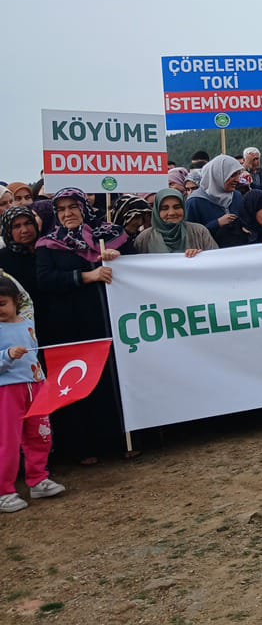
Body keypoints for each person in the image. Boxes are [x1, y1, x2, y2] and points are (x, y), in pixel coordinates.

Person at [35, 188, 132, 464]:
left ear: (83, 207)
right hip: (73, 326)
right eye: (62, 209)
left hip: (109, 321)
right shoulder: (48, 244)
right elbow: (46, 280)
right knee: (80, 382)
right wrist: (87, 276)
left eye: (73, 207)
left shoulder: (110, 235)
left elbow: (136, 266)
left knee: (112, 379)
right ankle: (87, 447)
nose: (68, 214)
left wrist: (118, 257)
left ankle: (122, 440)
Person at [0, 277, 64, 514]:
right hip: (7, 391)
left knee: (40, 435)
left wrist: (44, 382)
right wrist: (7, 355)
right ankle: (4, 491)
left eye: (2, 303)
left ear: (15, 302)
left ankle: (38, 479)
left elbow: (33, 357)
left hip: (35, 387)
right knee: (8, 441)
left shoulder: (26, 322)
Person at [133, 189, 217, 256]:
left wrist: (200, 256)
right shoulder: (144, 239)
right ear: (157, 211)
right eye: (165, 208)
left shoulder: (199, 232)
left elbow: (215, 260)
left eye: (177, 207)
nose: (172, 213)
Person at [185, 154, 245, 243]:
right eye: (232, 175)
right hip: (210, 254)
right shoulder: (195, 202)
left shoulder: (237, 196)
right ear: (217, 175)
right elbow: (191, 235)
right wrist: (217, 223)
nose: (238, 180)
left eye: (238, 174)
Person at [0, 207, 40, 294]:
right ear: (8, 231)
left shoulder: (46, 250)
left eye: (28, 223)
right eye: (16, 226)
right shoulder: (3, 259)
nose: (25, 230)